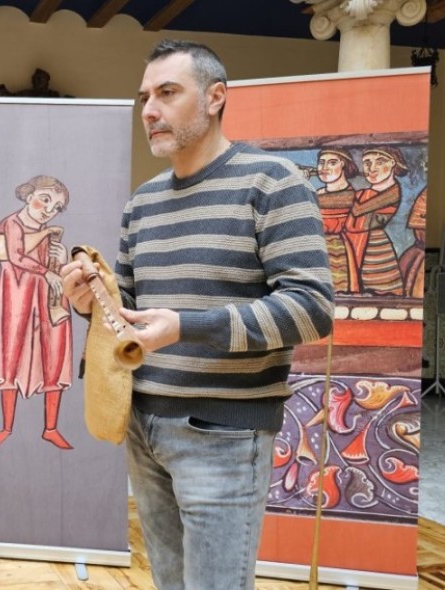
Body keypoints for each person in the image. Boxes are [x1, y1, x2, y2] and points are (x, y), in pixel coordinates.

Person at [61, 40, 334, 590]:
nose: (150, 111)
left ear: (216, 98)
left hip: (224, 433)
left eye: (167, 93)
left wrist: (187, 327)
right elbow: (131, 320)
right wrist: (91, 304)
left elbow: (312, 310)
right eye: (144, 97)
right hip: (144, 426)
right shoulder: (142, 202)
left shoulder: (271, 183)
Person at [0, 175, 73, 453]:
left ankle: (50, 429)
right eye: (45, 199)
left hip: (48, 304)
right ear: (28, 195)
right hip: (17, 302)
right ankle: (6, 428)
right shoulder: (12, 223)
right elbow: (17, 255)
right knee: (11, 356)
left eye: (56, 207)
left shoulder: (49, 233)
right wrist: (47, 267)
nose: (49, 209)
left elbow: (57, 272)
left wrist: (61, 259)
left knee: (53, 357)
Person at [345, 145, 408, 296]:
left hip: (375, 248)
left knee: (381, 293)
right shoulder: (361, 193)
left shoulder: (391, 193)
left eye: (379, 162)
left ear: (392, 163)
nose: (371, 169)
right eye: (367, 163)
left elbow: (357, 214)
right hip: (353, 245)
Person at [315, 147, 360, 294]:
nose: (325, 168)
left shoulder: (353, 196)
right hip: (315, 249)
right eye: (321, 163)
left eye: (332, 163)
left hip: (337, 249)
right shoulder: (316, 194)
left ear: (344, 165)